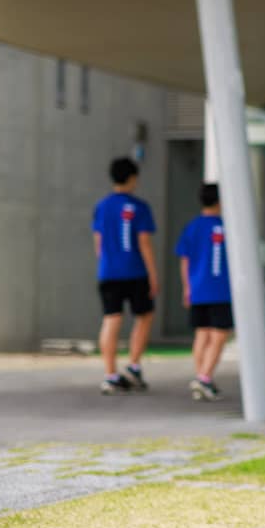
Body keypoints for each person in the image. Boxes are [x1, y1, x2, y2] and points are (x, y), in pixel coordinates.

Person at [93, 157, 157, 395]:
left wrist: (106, 263)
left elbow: (98, 242)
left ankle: (110, 374)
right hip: (135, 270)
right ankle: (133, 365)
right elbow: (144, 243)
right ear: (132, 178)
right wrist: (153, 274)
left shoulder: (102, 206)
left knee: (111, 319)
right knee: (144, 315)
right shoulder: (139, 207)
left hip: (108, 271)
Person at [175, 184, 232, 401]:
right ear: (220, 201)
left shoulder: (192, 227)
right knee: (219, 335)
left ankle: (202, 378)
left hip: (198, 288)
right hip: (220, 290)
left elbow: (184, 259)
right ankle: (204, 378)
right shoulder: (226, 227)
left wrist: (187, 287)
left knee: (202, 334)